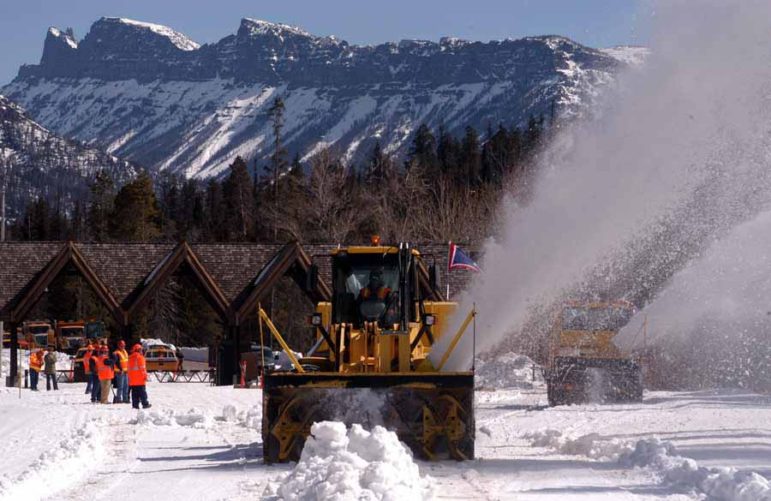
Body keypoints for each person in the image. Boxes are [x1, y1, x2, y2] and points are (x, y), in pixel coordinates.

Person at [127, 344, 151, 409]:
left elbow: (129, 370)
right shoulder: (140, 357)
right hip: (140, 379)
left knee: (134, 394)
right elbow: (142, 369)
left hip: (132, 380)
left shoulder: (130, 358)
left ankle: (135, 405)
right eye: (141, 350)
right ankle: (145, 404)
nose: (142, 351)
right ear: (139, 350)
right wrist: (145, 376)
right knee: (142, 393)